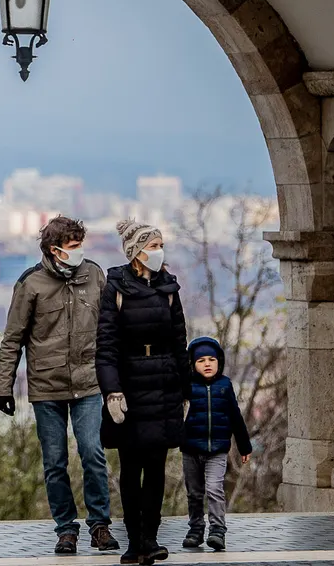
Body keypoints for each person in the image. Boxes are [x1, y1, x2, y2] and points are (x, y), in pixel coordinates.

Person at [0, 216, 119, 555]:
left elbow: (110, 328)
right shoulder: (30, 284)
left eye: (80, 245)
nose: (79, 252)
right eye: (73, 247)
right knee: (55, 460)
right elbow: (13, 338)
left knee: (93, 453)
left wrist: (117, 378)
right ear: (55, 249)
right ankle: (66, 529)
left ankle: (100, 525)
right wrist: (3, 386)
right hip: (46, 387)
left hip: (89, 383)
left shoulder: (94, 274)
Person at [97, 220, 189, 565]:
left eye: (160, 244)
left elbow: (180, 341)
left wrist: (186, 390)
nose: (159, 251)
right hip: (130, 385)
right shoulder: (116, 287)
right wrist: (112, 392)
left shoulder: (168, 288)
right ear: (136, 252)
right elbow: (105, 346)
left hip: (163, 383)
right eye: (153, 245)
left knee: (156, 466)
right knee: (131, 465)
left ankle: (151, 537)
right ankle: (134, 540)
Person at [180, 336, 252, 552]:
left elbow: (235, 416)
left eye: (212, 359)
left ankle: (218, 530)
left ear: (219, 361)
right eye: (201, 361)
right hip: (190, 449)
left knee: (214, 489)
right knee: (194, 493)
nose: (207, 364)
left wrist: (244, 445)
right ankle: (195, 529)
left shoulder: (225, 385)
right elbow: (174, 415)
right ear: (193, 364)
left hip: (217, 450)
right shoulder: (187, 386)